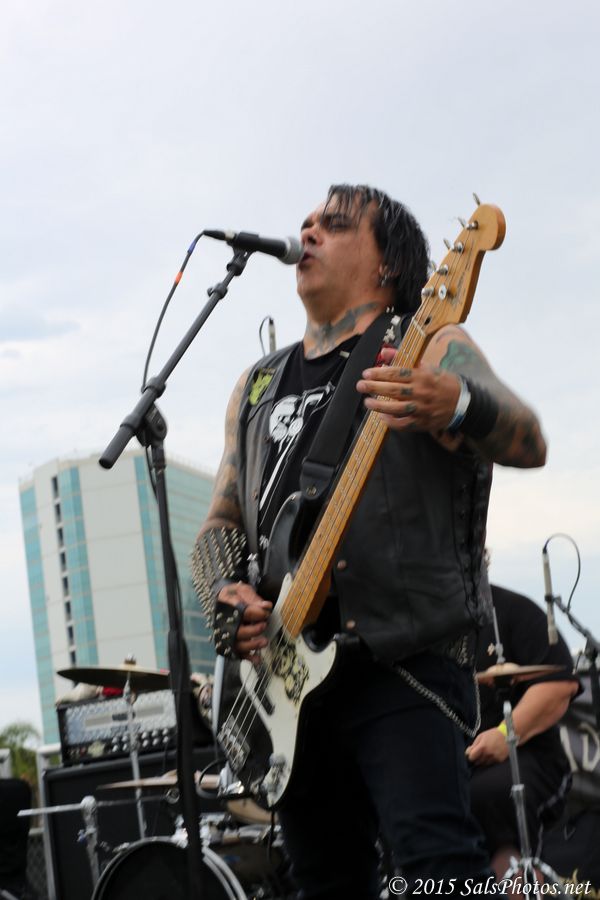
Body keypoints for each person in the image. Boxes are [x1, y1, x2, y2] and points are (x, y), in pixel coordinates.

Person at [191, 183, 548, 898]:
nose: (308, 230)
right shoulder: (257, 385)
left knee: (438, 867)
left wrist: (458, 402)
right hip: (292, 683)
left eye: (334, 223)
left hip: (404, 661)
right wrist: (224, 591)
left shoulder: (429, 342)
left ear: (387, 264)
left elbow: (529, 439)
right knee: (325, 880)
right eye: (306, 221)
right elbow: (221, 520)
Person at [468, 583, 580, 879]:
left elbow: (558, 685)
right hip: (449, 764)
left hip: (524, 758)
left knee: (494, 792)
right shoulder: (419, 629)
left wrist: (505, 733)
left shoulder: (512, 610)